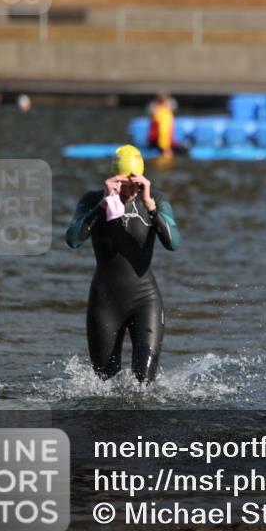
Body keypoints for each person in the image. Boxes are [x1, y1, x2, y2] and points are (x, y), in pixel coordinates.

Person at [66, 145, 180, 384]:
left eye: (135, 184)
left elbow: (173, 243)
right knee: (105, 386)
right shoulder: (92, 200)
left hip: (145, 299)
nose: (129, 190)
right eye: (123, 184)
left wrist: (149, 205)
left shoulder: (155, 200)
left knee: (144, 385)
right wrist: (102, 206)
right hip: (105, 302)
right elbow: (74, 240)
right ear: (112, 180)